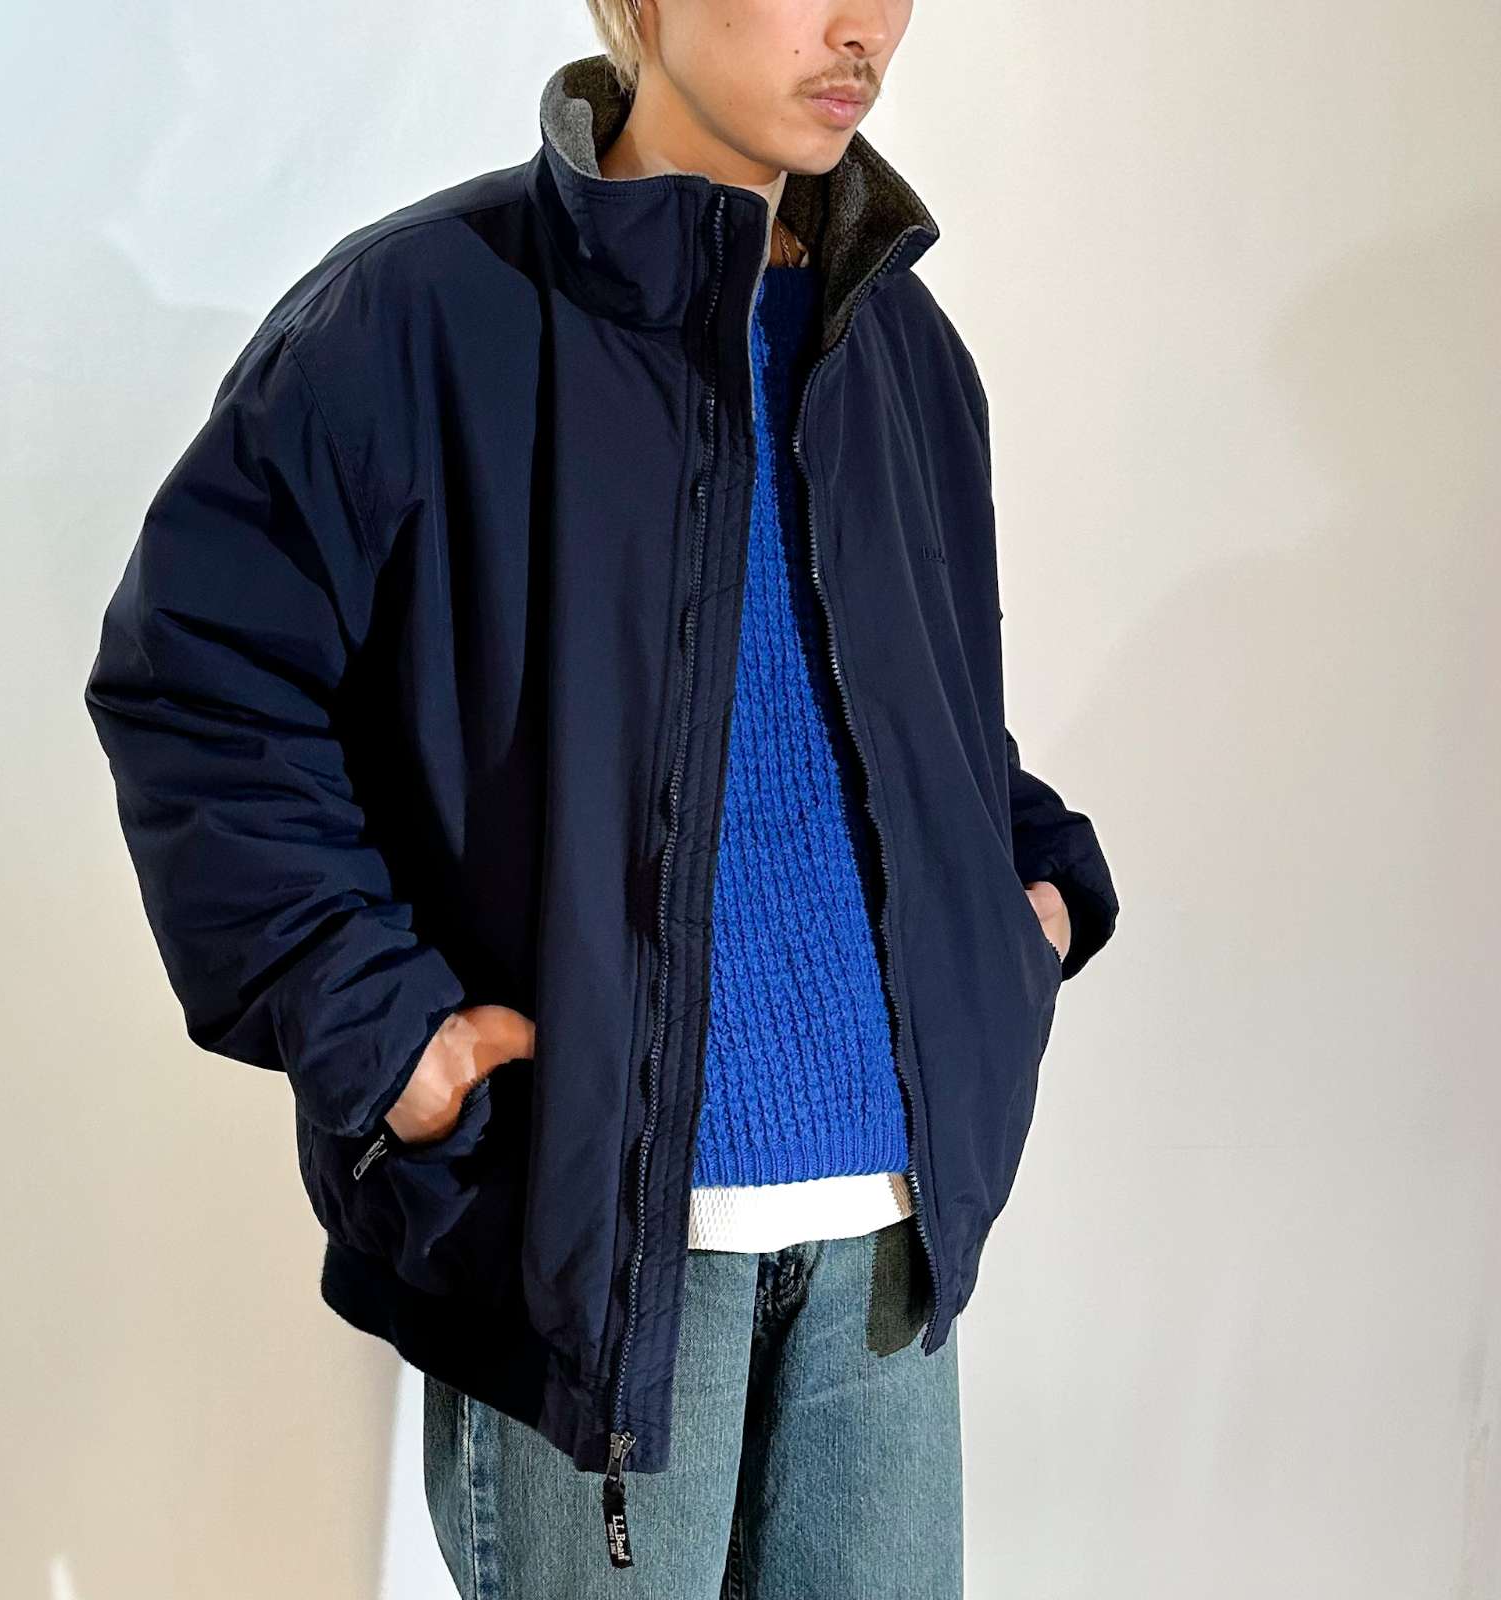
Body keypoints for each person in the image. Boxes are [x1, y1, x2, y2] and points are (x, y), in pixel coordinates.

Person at [84, 5, 1119, 1595]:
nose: (864, 28)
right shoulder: (422, 316)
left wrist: (1025, 905)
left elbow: (922, 728)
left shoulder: (903, 353)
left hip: (892, 1249)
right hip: (601, 1263)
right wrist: (378, 1029)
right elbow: (198, 690)